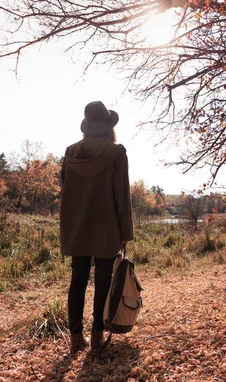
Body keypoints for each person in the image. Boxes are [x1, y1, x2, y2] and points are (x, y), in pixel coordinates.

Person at [60, 101, 133, 353]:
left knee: (77, 279)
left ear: (87, 126)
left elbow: (65, 193)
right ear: (108, 126)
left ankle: (75, 338)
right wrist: (126, 232)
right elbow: (122, 197)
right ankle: (97, 335)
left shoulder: (71, 153)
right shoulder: (116, 153)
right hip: (107, 227)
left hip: (77, 226)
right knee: (103, 281)